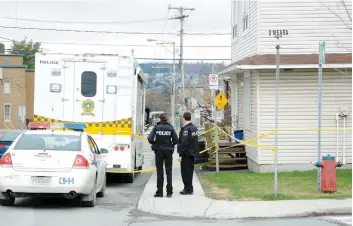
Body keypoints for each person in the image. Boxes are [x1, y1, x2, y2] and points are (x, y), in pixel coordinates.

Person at [147, 113, 178, 198]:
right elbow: (176, 140)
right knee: (169, 171)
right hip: (168, 151)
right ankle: (169, 192)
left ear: (159, 119)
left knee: (160, 172)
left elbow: (149, 138)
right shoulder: (170, 128)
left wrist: (154, 143)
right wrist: (171, 144)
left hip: (159, 151)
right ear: (166, 119)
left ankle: (159, 192)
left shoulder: (156, 128)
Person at [177, 112, 199, 195]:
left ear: (183, 118)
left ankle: (187, 189)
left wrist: (180, 155)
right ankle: (189, 188)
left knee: (185, 171)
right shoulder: (194, 128)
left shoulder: (186, 129)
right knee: (190, 171)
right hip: (192, 153)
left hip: (186, 154)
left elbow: (184, 143)